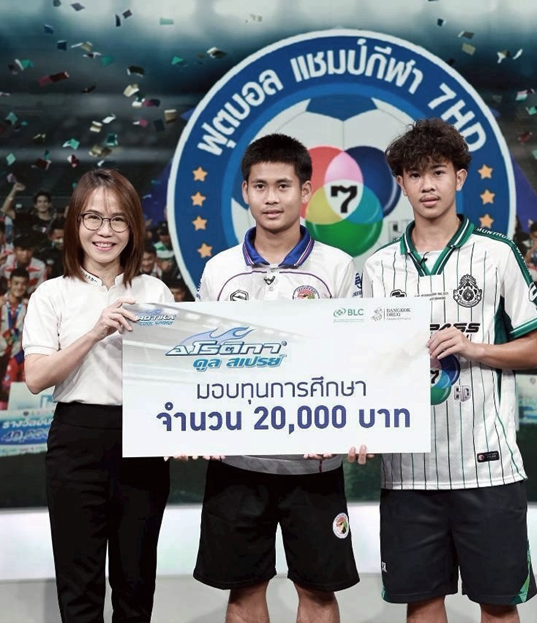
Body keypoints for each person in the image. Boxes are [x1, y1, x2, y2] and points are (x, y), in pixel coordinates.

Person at [363, 119, 537, 623]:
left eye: (438, 172)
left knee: (498, 605)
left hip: (488, 467)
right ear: (400, 183)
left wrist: (474, 348)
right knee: (422, 604)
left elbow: (535, 351)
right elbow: (370, 368)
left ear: (459, 177)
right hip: (408, 474)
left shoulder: (497, 253)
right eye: (415, 174)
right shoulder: (378, 268)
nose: (427, 185)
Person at [194, 134, 361, 623]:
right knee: (244, 592)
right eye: (260, 186)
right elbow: (201, 362)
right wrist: (196, 424)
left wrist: (350, 425)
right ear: (245, 191)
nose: (271, 198)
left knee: (318, 593)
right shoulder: (219, 271)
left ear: (305, 192)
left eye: (283, 186)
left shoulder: (336, 267)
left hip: (314, 464)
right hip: (236, 461)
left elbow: (354, 358)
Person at [22, 168, 174, 623]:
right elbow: (36, 377)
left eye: (118, 220)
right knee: (79, 586)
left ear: (133, 228)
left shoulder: (154, 291)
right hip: (76, 440)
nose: (105, 231)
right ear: (75, 223)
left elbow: (175, 376)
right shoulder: (51, 294)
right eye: (93, 218)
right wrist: (94, 332)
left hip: (142, 442)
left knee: (135, 584)